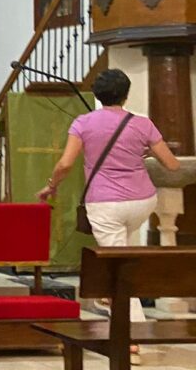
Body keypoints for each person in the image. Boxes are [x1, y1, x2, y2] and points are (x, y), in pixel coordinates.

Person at [38, 69, 180, 327]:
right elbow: (171, 165)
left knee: (116, 267)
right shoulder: (142, 123)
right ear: (126, 96)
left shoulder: (83, 123)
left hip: (105, 203)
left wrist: (51, 186)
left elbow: (65, 164)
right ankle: (108, 298)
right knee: (121, 252)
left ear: (97, 94)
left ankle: (131, 334)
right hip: (142, 202)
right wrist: (141, 154)